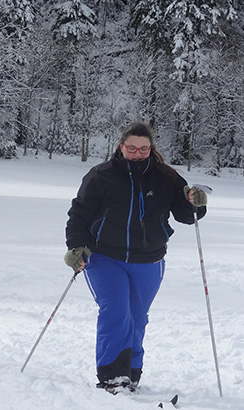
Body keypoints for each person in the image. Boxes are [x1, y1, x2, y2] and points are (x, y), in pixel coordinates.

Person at [64, 122, 208, 394]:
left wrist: (195, 204)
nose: (138, 153)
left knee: (137, 317)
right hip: (105, 256)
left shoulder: (167, 177)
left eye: (144, 149)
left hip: (149, 259)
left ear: (151, 149)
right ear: (121, 147)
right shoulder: (101, 176)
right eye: (132, 148)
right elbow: (79, 214)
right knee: (116, 311)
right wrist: (75, 246)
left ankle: (132, 371)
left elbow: (185, 215)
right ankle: (113, 375)